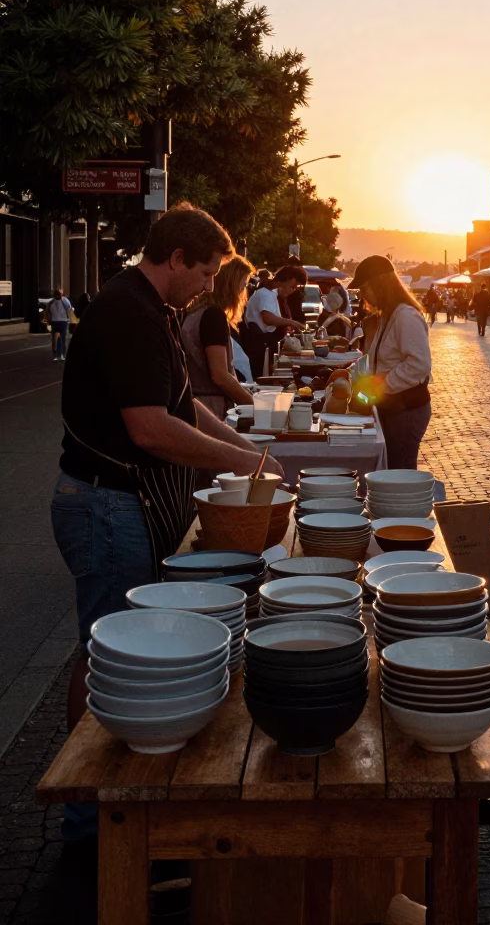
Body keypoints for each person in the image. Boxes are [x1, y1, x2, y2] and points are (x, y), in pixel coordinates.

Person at [52, 205, 282, 838]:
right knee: (107, 653)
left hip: (124, 503)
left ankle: (122, 797)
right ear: (176, 259)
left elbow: (184, 408)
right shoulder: (128, 312)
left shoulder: (154, 311)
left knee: (125, 648)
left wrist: (250, 457)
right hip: (105, 504)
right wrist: (244, 459)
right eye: (206, 272)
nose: (211, 286)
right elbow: (150, 429)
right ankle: (87, 814)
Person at [350, 255, 431, 469]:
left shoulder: (405, 316)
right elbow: (379, 360)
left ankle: (402, 504)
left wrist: (381, 383)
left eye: (364, 289)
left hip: (405, 409)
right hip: (393, 406)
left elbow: (419, 365)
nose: (363, 296)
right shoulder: (387, 316)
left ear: (380, 284)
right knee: (392, 467)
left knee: (399, 470)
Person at [181, 254, 256, 419]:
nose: (244, 294)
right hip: (211, 410)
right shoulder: (213, 316)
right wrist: (255, 406)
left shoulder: (193, 313)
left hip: (196, 406)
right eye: (243, 286)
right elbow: (220, 375)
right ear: (230, 285)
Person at [244, 265, 305, 352]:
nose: (293, 290)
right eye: (293, 287)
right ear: (286, 279)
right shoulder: (265, 293)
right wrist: (292, 322)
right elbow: (268, 319)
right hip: (260, 347)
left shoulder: (272, 294)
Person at [42, 288, 72, 360]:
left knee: (57, 338)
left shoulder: (51, 302)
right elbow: (69, 309)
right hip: (63, 322)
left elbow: (47, 311)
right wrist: (69, 318)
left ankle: (57, 354)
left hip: (55, 322)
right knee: (62, 338)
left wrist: (48, 318)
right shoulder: (65, 300)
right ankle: (62, 354)